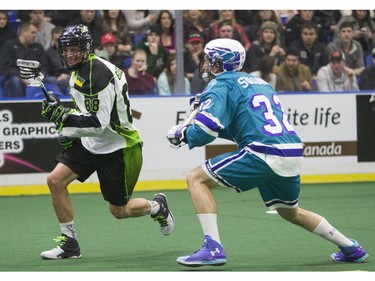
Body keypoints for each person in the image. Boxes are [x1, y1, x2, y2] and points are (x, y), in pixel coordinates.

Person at [166, 38, 369, 267]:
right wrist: (197, 122)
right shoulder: (259, 82)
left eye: (208, 59)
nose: (205, 63)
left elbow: (206, 131)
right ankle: (351, 248)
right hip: (290, 152)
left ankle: (213, 248)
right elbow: (240, 131)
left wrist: (184, 135)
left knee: (196, 179)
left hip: (264, 152)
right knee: (290, 212)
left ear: (220, 62)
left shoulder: (221, 83)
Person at [39, 24, 174, 259]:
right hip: (93, 142)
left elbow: (97, 124)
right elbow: (87, 113)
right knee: (55, 181)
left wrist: (62, 117)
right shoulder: (84, 69)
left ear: (86, 49)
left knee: (119, 211)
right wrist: (66, 123)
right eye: (66, 49)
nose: (69, 54)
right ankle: (69, 244)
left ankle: (157, 207)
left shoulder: (97, 75)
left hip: (118, 147)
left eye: (75, 49)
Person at [0, 21, 54, 98]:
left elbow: (45, 67)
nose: (35, 36)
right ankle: (17, 106)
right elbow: (5, 68)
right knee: (15, 81)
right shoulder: (8, 45)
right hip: (16, 77)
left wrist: (38, 76)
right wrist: (22, 76)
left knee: (52, 80)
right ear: (23, 32)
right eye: (33, 33)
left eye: (36, 33)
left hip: (36, 77)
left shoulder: (38, 47)